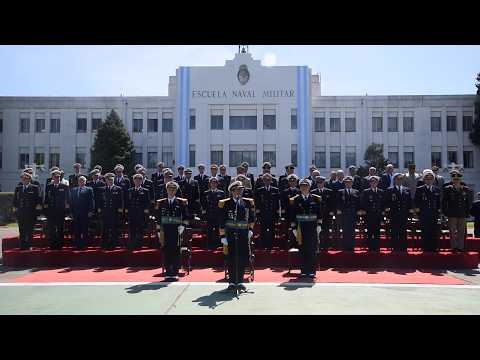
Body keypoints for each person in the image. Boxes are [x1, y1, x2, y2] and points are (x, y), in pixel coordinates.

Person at [219, 181, 255, 292]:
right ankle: (231, 282)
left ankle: (240, 281)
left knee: (242, 257)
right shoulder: (225, 203)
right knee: (231, 257)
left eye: (241, 190)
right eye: (237, 190)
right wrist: (223, 236)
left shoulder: (247, 203)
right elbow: (221, 220)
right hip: (230, 234)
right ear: (232, 191)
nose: (240, 192)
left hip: (243, 234)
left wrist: (250, 230)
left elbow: (252, 218)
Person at [156, 181, 190, 280]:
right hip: (165, 230)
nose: (171, 191)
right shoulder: (161, 202)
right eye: (169, 189)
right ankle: (168, 272)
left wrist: (183, 226)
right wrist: (158, 230)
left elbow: (186, 216)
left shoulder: (181, 202)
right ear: (166, 190)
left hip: (176, 230)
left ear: (176, 190)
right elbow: (158, 217)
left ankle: (175, 272)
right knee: (166, 250)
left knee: (176, 251)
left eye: (173, 189)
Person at [289, 178, 321, 278]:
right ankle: (303, 271)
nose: (304, 188)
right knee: (302, 249)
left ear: (309, 187)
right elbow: (292, 214)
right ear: (300, 187)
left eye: (306, 186)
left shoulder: (316, 198)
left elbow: (319, 213)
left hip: (312, 227)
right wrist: (293, 227)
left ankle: (311, 271)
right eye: (302, 186)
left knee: (312, 249)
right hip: (300, 227)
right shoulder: (295, 199)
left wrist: (319, 225)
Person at [442, 170, 474, 251]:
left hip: (462, 213)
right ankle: (454, 247)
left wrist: (467, 212)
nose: (456, 181)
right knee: (452, 232)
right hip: (452, 213)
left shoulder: (466, 189)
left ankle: (460, 247)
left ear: (460, 179)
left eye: (458, 179)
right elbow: (444, 202)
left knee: (461, 232)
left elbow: (468, 202)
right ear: (452, 179)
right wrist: (445, 212)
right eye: (454, 179)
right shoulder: (447, 189)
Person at [12, 172, 42, 250]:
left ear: (29, 179)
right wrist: (15, 211)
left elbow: (38, 200)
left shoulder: (35, 188)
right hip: (21, 213)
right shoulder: (18, 188)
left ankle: (29, 245)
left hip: (31, 214)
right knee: (21, 230)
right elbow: (15, 201)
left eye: (26, 178)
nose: (24, 180)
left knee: (29, 231)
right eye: (22, 178)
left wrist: (37, 212)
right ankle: (22, 246)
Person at [414, 169, 442, 252]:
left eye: (431, 179)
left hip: (434, 214)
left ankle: (434, 247)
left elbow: (438, 203)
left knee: (433, 231)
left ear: (433, 180)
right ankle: (426, 248)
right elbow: (416, 201)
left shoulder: (436, 189)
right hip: (424, 214)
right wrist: (418, 212)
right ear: (424, 180)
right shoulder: (420, 189)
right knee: (425, 231)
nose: (429, 180)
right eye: (427, 179)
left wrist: (439, 212)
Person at [385, 173, 413, 251]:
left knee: (403, 231)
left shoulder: (407, 189)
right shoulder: (390, 190)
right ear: (394, 180)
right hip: (394, 213)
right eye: (397, 179)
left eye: (401, 179)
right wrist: (387, 210)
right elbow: (387, 202)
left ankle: (403, 247)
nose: (399, 181)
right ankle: (395, 247)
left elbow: (409, 202)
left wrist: (410, 212)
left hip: (403, 213)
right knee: (394, 231)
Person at [44, 170, 70, 250]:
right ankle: (52, 244)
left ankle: (60, 245)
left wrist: (67, 211)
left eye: (58, 177)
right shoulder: (49, 186)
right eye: (55, 177)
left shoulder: (64, 186)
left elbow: (68, 199)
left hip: (60, 211)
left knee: (60, 228)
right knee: (51, 228)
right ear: (52, 177)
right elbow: (46, 198)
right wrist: (45, 210)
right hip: (51, 211)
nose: (57, 178)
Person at [254, 173, 280, 250]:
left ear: (271, 181)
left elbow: (277, 203)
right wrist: (258, 214)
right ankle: (263, 245)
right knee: (263, 230)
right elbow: (257, 202)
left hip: (272, 213)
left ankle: (271, 246)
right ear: (263, 181)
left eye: (268, 180)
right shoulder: (259, 190)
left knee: (272, 230)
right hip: (263, 213)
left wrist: (277, 214)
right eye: (265, 180)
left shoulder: (275, 190)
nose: (267, 181)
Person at [99, 173, 124, 250]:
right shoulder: (102, 189)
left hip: (114, 212)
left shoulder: (118, 189)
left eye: (111, 180)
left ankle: (113, 244)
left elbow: (121, 200)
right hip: (105, 212)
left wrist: (121, 208)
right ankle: (104, 244)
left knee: (113, 228)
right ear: (105, 180)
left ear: (113, 180)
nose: (110, 181)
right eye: (108, 180)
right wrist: (99, 208)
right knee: (105, 229)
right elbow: (100, 200)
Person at [360, 176, 385, 252]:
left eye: (375, 182)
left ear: (377, 183)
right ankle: (370, 248)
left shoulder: (381, 192)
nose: (373, 183)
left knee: (377, 232)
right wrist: (364, 211)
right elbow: (363, 203)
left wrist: (383, 212)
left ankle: (377, 247)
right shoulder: (366, 192)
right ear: (369, 183)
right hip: (369, 215)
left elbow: (383, 204)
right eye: (372, 182)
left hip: (378, 215)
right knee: (370, 232)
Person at [126, 174, 150, 250]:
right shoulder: (130, 190)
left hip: (140, 213)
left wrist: (146, 211)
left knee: (140, 229)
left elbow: (147, 202)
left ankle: (139, 245)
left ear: (141, 181)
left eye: (139, 180)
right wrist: (127, 211)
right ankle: (132, 245)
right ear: (133, 181)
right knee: (132, 229)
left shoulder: (145, 191)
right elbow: (127, 202)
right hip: (132, 212)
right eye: (136, 180)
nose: (137, 181)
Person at [70, 176, 95, 250]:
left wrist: (91, 211)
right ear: (78, 181)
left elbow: (92, 201)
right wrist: (71, 212)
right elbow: (71, 202)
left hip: (85, 212)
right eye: (80, 180)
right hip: (75, 213)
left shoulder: (89, 189)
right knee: (77, 229)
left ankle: (84, 244)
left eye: (83, 180)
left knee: (84, 229)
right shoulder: (73, 190)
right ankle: (77, 244)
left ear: (85, 181)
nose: (81, 182)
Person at [336, 176, 360, 251]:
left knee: (352, 231)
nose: (348, 183)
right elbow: (338, 202)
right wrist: (338, 209)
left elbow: (358, 203)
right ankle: (345, 247)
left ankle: (351, 246)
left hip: (353, 214)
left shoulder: (356, 191)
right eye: (346, 182)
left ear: (352, 183)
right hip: (344, 214)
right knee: (345, 231)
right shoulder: (340, 191)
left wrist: (359, 210)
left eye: (350, 182)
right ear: (344, 183)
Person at [201, 177, 226, 249]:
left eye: (215, 182)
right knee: (209, 231)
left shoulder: (221, 193)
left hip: (218, 215)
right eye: (212, 182)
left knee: (218, 231)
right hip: (209, 215)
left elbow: (224, 204)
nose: (213, 184)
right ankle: (209, 245)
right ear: (210, 184)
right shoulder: (206, 193)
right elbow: (203, 203)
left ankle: (218, 245)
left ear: (217, 184)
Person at [311, 176, 334, 250]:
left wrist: (331, 211)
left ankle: (326, 245)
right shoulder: (313, 192)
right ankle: (318, 246)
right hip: (317, 215)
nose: (320, 184)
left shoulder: (329, 191)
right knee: (317, 231)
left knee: (326, 230)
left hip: (327, 214)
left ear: (324, 183)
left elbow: (332, 203)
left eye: (321, 183)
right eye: (318, 183)